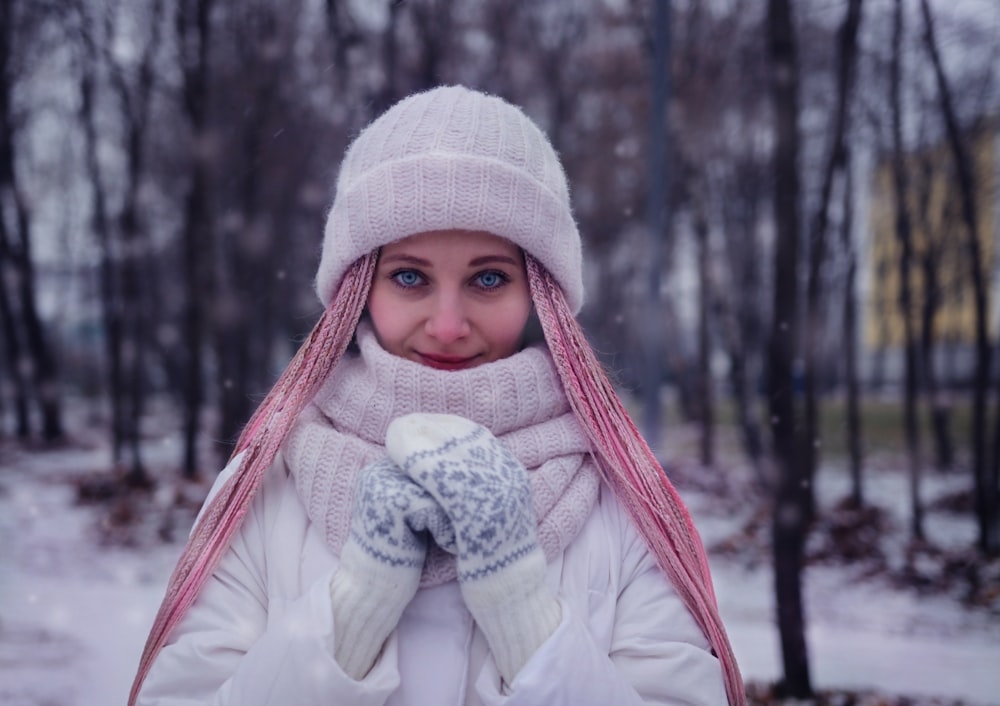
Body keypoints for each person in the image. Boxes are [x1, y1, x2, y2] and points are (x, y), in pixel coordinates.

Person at [129, 85, 746, 706]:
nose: (447, 324)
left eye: (487, 278)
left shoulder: (618, 498)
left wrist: (523, 614)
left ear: (540, 294)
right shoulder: (267, 485)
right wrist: (353, 609)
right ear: (359, 289)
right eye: (408, 277)